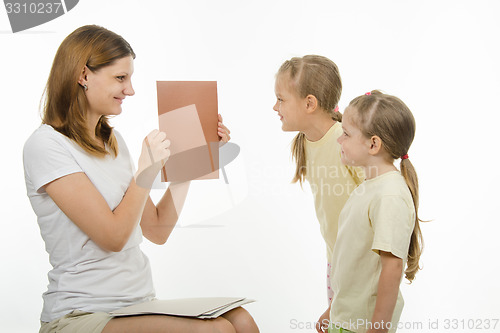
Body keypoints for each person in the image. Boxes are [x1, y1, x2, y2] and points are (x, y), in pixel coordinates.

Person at [23, 25, 259, 333]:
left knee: (240, 318)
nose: (130, 90)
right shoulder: (46, 145)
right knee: (214, 330)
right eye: (120, 78)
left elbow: (157, 229)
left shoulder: (113, 142)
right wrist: (146, 171)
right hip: (81, 314)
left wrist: (191, 159)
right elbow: (113, 237)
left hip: (137, 304)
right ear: (83, 76)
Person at [273, 55, 364, 325]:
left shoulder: (344, 141)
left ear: (309, 103)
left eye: (281, 99)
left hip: (363, 262)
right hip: (336, 261)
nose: (274, 107)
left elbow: (378, 197)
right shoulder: (305, 141)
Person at [324, 91, 424, 333]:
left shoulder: (389, 194)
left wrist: (378, 329)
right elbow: (355, 264)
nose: (339, 140)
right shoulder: (369, 188)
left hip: (362, 327)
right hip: (345, 320)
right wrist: (332, 310)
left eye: (346, 134)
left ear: (373, 144)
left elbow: (392, 268)